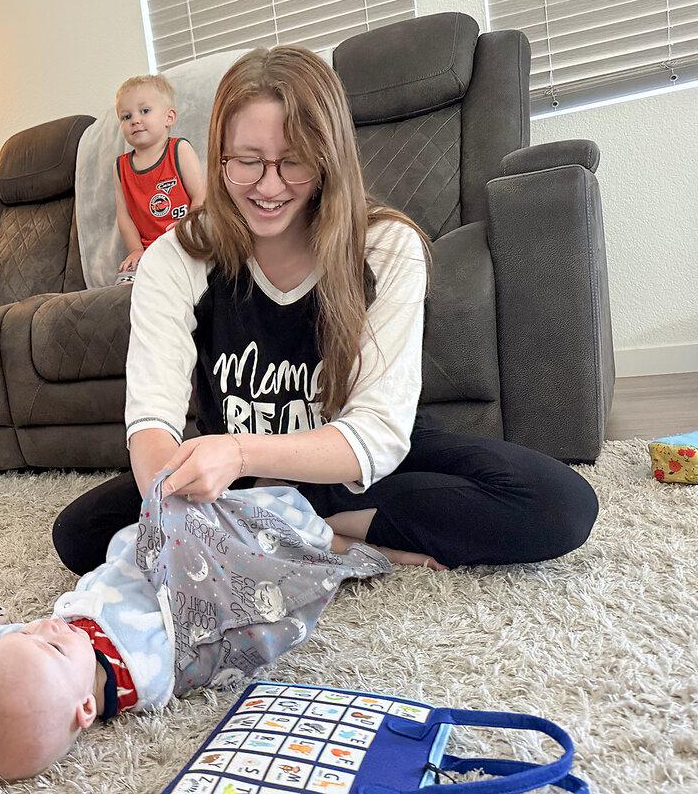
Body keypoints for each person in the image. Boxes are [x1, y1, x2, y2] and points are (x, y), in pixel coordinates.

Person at [55, 46, 599, 577]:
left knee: (559, 503)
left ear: (329, 158)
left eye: (293, 162)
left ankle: (301, 531)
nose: (269, 187)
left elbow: (378, 436)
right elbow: (151, 418)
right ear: (217, 155)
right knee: (80, 535)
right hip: (236, 480)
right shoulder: (176, 257)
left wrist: (241, 456)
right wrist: (170, 494)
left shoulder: (385, 246)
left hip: (356, 462)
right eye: (246, 162)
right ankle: (334, 542)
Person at [0, 478, 390, 781]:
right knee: (278, 527)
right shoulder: (149, 668)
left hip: (136, 555)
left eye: (27, 634)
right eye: (52, 647)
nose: (47, 625)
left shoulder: (62, 658)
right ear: (86, 709)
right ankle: (335, 539)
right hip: (197, 572)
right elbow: (211, 631)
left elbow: (26, 647)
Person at [113, 74, 206, 284]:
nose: (135, 120)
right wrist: (136, 250)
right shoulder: (120, 167)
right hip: (149, 251)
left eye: (144, 111)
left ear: (169, 117)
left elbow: (201, 194)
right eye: (126, 117)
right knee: (125, 290)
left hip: (186, 239)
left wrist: (187, 228)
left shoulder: (179, 149)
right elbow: (124, 215)